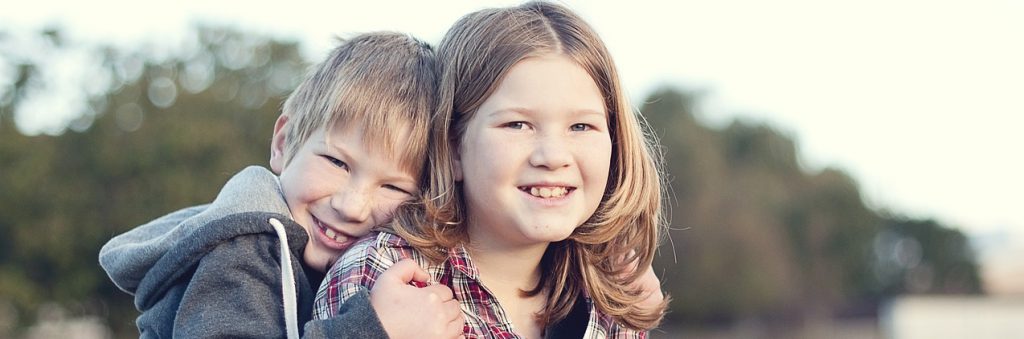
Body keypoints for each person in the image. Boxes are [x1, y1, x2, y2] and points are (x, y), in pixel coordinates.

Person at [313, 2, 669, 338]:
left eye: (581, 126)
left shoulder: (613, 296)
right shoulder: (387, 278)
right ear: (454, 147)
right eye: (517, 124)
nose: (553, 156)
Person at [98, 32, 464, 339]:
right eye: (337, 163)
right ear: (283, 143)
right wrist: (374, 329)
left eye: (394, 188)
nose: (352, 206)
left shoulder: (345, 261)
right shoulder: (243, 249)